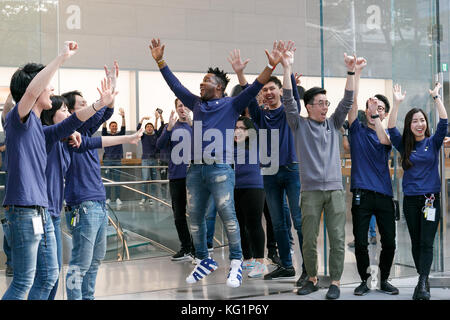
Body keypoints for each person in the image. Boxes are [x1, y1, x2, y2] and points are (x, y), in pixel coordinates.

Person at [149, 37, 284, 288]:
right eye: (202, 80)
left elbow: (255, 87)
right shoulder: (197, 104)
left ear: (219, 87)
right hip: (195, 168)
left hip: (220, 166)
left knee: (228, 215)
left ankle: (235, 263)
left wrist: (271, 67)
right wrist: (160, 61)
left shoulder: (232, 104)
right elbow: (175, 86)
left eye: (207, 80)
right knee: (195, 217)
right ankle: (204, 259)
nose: (201, 83)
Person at [2, 41, 114, 300]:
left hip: (40, 212)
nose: (51, 90)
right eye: (47, 87)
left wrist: (101, 104)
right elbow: (32, 91)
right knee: (23, 282)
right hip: (24, 211)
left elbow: (74, 121)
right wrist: (61, 57)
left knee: (50, 275)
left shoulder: (41, 132)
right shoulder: (18, 121)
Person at [228, 46, 306, 285]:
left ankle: (309, 269)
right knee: (278, 222)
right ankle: (285, 265)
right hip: (269, 173)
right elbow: (248, 97)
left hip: (291, 170)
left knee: (298, 220)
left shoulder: (290, 112)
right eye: (265, 90)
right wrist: (241, 74)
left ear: (280, 91)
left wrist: (286, 66)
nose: (269, 92)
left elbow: (291, 95)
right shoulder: (260, 115)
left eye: (272, 88)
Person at [284, 44, 356, 299]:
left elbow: (347, 102)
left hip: (335, 190)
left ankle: (335, 282)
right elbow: (288, 102)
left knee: (337, 238)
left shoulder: (333, 123)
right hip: (311, 191)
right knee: (308, 239)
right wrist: (287, 67)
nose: (325, 107)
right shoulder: (299, 124)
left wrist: (350, 73)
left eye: (327, 103)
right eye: (321, 103)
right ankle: (312, 278)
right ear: (309, 107)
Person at [62, 61, 120, 300]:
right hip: (83, 206)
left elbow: (106, 111)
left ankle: (88, 297)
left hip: (97, 203)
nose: (88, 108)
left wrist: (112, 89)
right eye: (82, 105)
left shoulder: (84, 131)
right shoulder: (69, 135)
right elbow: (101, 112)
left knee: (95, 261)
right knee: (80, 262)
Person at [387, 82, 447, 300]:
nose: (419, 124)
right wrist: (396, 103)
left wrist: (436, 97)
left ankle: (422, 282)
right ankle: (425, 277)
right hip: (411, 200)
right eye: (415, 121)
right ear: (409, 125)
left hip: (431, 198)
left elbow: (444, 121)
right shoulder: (405, 145)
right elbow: (391, 128)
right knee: (415, 241)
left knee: (426, 242)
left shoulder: (434, 141)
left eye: (422, 120)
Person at [346, 59, 399, 296]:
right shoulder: (356, 129)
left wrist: (377, 115)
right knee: (360, 242)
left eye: (379, 109)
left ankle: (384, 279)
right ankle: (365, 280)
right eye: (371, 107)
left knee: (389, 241)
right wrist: (356, 73)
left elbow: (384, 140)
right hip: (361, 194)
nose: (374, 111)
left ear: (384, 113)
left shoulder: (386, 134)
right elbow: (352, 101)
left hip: (385, 195)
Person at [156, 99, 194, 261]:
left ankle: (200, 248)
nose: (183, 108)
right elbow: (159, 145)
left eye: (185, 105)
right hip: (176, 176)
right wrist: (169, 128)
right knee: (179, 214)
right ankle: (186, 248)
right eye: (180, 106)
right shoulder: (170, 127)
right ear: (176, 109)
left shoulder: (196, 126)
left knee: (198, 214)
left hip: (196, 176)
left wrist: (193, 124)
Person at [233, 116, 267, 278]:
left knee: (253, 225)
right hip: (235, 188)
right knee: (240, 224)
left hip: (254, 187)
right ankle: (248, 259)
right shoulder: (230, 147)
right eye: (235, 128)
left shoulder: (256, 144)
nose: (237, 131)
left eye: (242, 128)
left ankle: (260, 263)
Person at [137, 110, 164, 205]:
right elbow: (138, 128)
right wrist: (143, 119)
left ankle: (151, 198)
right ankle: (143, 198)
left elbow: (162, 126)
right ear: (145, 129)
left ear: (153, 128)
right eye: (147, 127)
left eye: (151, 126)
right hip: (145, 160)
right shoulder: (143, 136)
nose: (149, 128)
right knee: (145, 179)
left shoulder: (156, 136)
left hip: (154, 160)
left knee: (153, 180)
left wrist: (159, 117)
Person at [102, 107, 126, 206]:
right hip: (107, 161)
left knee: (117, 181)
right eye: (112, 126)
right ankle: (107, 198)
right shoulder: (105, 135)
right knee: (108, 181)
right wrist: (105, 118)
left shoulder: (120, 136)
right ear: (110, 127)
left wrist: (123, 117)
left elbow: (124, 128)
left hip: (117, 161)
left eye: (115, 126)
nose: (114, 127)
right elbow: (103, 128)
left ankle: (117, 198)